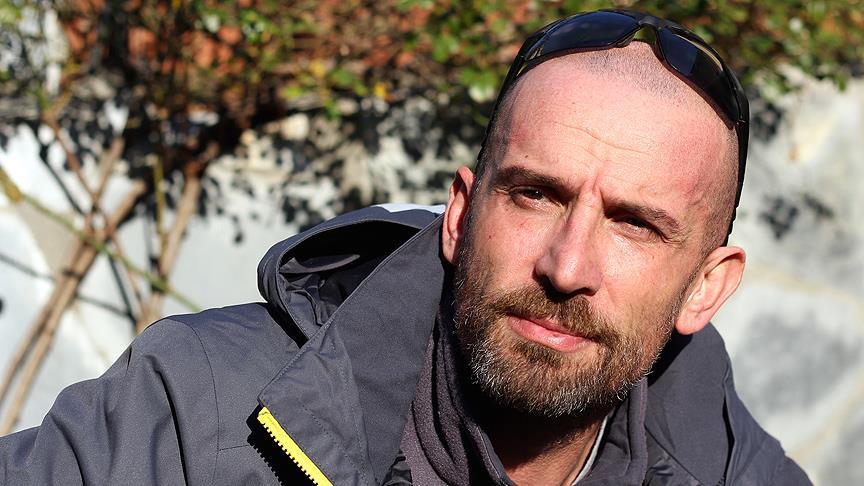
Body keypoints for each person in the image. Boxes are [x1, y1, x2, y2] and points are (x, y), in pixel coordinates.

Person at [0, 9, 810, 485]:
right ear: (459, 215)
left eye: (634, 224)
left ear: (706, 287)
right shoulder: (194, 413)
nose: (566, 267)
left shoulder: (735, 470)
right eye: (535, 194)